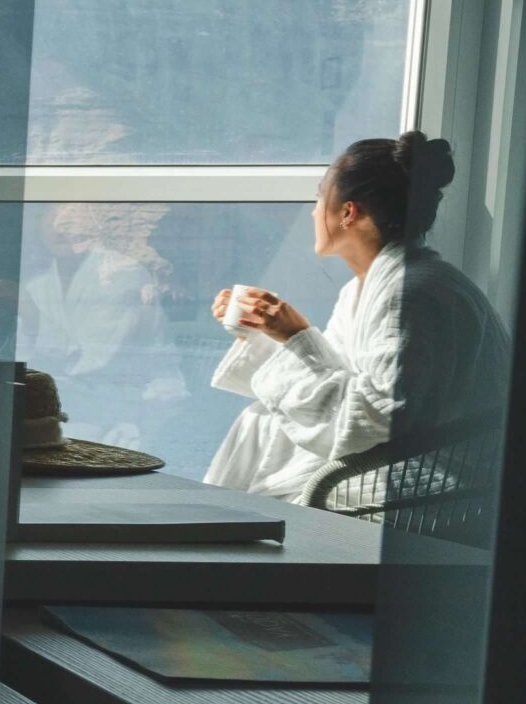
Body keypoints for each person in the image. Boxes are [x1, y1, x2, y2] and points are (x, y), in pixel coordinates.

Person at [204, 131, 508, 503]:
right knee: (261, 423)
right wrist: (267, 332)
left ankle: (212, 530)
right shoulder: (372, 287)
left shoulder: (411, 294)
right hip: (399, 462)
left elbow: (378, 415)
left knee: (265, 443)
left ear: (348, 212)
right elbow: (339, 377)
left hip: (436, 491)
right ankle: (212, 526)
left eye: (320, 197)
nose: (315, 210)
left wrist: (295, 336)